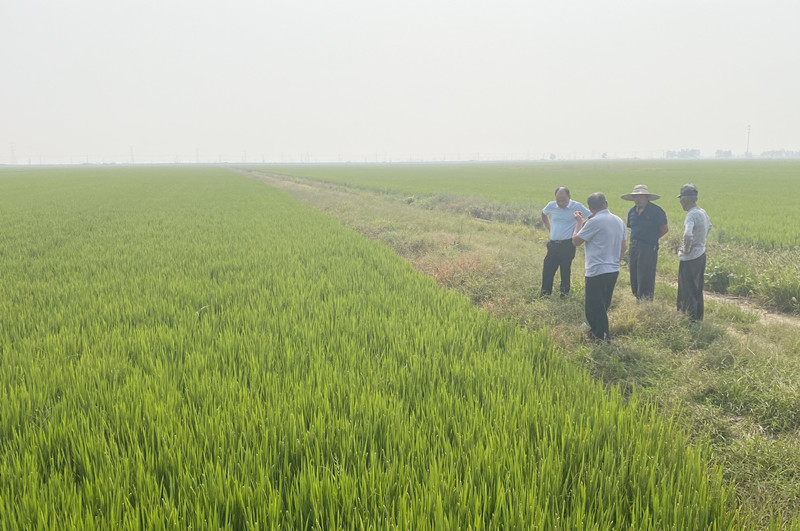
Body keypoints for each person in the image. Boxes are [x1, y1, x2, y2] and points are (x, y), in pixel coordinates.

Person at [572, 193, 626, 341]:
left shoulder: (594, 222)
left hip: (597, 270)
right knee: (603, 304)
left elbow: (576, 241)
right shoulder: (619, 221)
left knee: (594, 306)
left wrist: (578, 222)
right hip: (613, 269)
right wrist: (616, 261)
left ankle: (601, 338)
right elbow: (623, 246)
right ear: (606, 203)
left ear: (590, 208)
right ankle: (595, 332)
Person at [540, 187, 591, 297]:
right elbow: (543, 214)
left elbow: (591, 216)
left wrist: (580, 225)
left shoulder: (577, 206)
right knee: (548, 269)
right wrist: (549, 227)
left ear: (569, 197)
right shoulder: (551, 205)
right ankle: (545, 294)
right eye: (558, 200)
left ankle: (564, 294)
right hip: (553, 244)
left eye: (563, 200)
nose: (560, 203)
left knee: (565, 270)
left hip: (567, 244)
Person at [621, 184, 669, 300]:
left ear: (647, 197)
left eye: (641, 197)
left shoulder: (656, 211)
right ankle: (637, 296)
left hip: (648, 247)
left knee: (646, 276)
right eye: (636, 197)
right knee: (634, 274)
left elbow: (664, 229)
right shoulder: (632, 212)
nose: (638, 199)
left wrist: (651, 239)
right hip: (634, 246)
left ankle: (646, 301)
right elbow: (631, 228)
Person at [677, 184, 712, 321]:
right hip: (701, 254)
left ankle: (688, 318)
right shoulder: (702, 212)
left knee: (687, 288)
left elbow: (687, 234)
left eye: (681, 201)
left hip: (690, 258)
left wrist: (687, 248)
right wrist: (700, 241)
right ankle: (698, 317)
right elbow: (710, 227)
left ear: (684, 200)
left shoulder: (691, 215)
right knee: (697, 288)